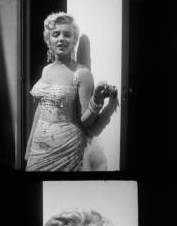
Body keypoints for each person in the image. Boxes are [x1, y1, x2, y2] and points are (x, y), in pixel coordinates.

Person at [25, 12, 118, 171]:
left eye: (67, 35)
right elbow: (41, 109)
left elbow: (86, 122)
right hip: (39, 145)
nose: (61, 38)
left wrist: (97, 99)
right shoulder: (46, 70)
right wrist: (29, 145)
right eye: (56, 34)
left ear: (74, 41)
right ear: (49, 40)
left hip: (66, 146)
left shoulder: (82, 73)